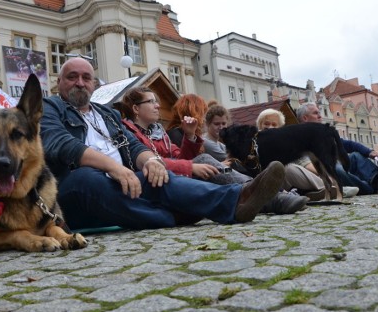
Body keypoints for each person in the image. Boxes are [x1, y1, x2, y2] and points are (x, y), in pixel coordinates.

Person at [40, 57, 286, 230]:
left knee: (157, 176)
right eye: (72, 77)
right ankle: (172, 216)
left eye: (86, 77)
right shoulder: (50, 107)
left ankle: (238, 199)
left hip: (123, 182)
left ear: (94, 83)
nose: (80, 82)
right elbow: (62, 145)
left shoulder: (107, 114)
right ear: (59, 81)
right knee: (87, 177)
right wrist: (115, 168)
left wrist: (151, 161)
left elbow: (133, 146)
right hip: (74, 191)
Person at [120, 87, 308, 214]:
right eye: (151, 102)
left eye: (157, 101)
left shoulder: (158, 132)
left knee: (205, 160)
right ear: (136, 108)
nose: (158, 106)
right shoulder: (129, 132)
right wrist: (191, 167)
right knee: (205, 160)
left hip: (174, 179)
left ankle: (274, 196)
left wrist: (190, 136)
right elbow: (150, 163)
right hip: (156, 185)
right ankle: (274, 197)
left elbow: (181, 157)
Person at [296, 103, 378, 195]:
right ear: (305, 118)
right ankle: (372, 189)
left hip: (337, 167)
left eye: (319, 112)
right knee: (337, 169)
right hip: (320, 174)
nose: (320, 116)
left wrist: (369, 151)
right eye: (316, 113)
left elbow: (348, 144)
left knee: (355, 156)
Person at [256, 108, 332, 200]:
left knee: (288, 168)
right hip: (268, 182)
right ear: (260, 125)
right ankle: (324, 189)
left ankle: (325, 187)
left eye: (274, 125)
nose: (270, 127)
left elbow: (306, 163)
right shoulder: (254, 143)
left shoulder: (286, 142)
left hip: (290, 181)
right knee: (283, 168)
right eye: (266, 124)